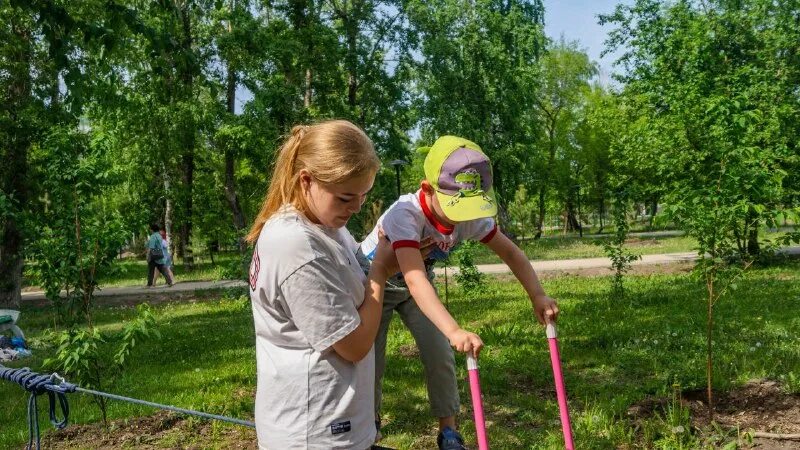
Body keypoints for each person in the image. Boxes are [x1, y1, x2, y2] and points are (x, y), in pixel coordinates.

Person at [358, 135, 561, 449]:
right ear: (427, 189)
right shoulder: (404, 215)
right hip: (374, 283)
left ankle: (448, 432)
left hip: (416, 284)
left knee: (440, 354)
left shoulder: (467, 216)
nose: (463, 216)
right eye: (456, 205)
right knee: (371, 360)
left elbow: (511, 253)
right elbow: (412, 278)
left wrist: (537, 295)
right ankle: (367, 426)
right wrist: (453, 328)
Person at [245, 120, 398, 450]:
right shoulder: (298, 245)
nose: (356, 207)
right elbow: (354, 346)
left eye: (363, 195)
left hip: (334, 425)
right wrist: (381, 274)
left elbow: (359, 266)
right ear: (306, 181)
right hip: (314, 433)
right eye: (345, 197)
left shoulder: (326, 227)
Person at [146, 223, 174, 287]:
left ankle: (149, 284)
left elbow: (151, 247)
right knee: (163, 269)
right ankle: (169, 282)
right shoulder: (159, 236)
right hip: (160, 254)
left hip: (153, 255)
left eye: (150, 229)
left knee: (151, 270)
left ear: (152, 230)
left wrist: (148, 255)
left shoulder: (153, 236)